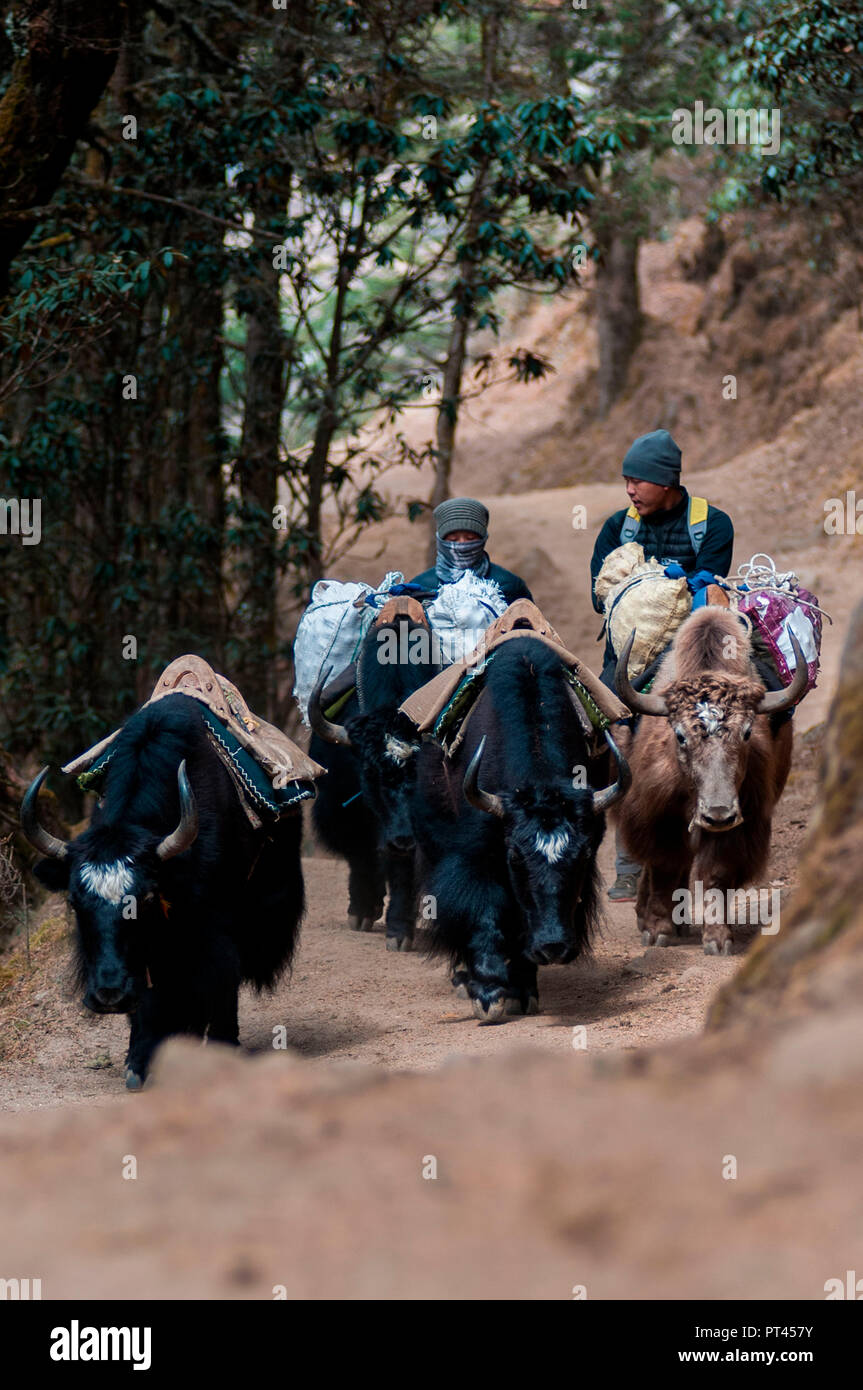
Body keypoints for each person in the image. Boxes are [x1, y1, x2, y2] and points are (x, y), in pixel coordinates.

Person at [590, 429, 734, 901]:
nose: (630, 490)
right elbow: (601, 595)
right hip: (630, 658)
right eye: (626, 480)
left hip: (692, 654)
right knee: (613, 741)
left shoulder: (712, 523)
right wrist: (639, 590)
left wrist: (683, 583)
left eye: (639, 481)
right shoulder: (618, 527)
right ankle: (629, 858)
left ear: (667, 481)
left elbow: (712, 586)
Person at [410, 497, 533, 603]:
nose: (462, 544)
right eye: (453, 539)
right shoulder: (421, 588)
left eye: (470, 538)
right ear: (441, 541)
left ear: (483, 539)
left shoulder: (508, 585)